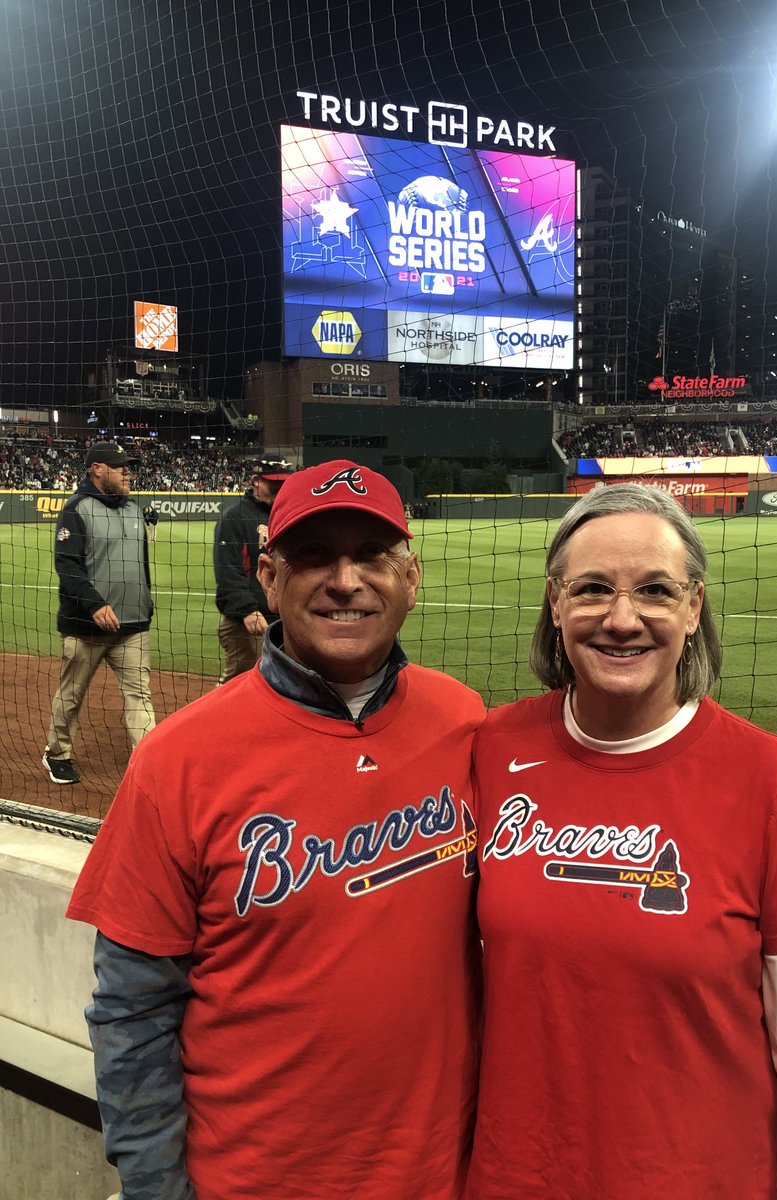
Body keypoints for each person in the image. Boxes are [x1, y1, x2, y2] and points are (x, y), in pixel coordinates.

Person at [67, 459, 485, 1199]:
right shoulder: (178, 759)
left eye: (372, 555)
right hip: (252, 1180)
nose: (346, 579)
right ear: (268, 575)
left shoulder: (465, 720)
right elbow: (132, 1011)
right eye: (315, 555)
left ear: (411, 575)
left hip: (441, 1174)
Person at [465, 482, 777, 1200]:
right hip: (517, 1177)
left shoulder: (772, 780)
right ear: (555, 604)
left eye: (654, 590)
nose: (622, 620)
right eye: (592, 589)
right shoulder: (494, 749)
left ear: (692, 608)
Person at [42, 441, 155, 785]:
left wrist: (145, 604)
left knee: (140, 694)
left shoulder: (135, 510)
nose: (127, 472)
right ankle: (56, 753)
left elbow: (141, 567)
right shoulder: (77, 509)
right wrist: (95, 603)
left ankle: (149, 760)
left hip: (133, 625)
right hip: (85, 626)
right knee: (72, 694)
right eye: (120, 466)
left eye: (128, 466)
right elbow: (67, 565)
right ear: (97, 469)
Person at [213, 457, 293, 684]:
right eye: (273, 483)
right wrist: (246, 609)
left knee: (284, 684)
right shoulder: (234, 517)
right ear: (255, 481)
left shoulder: (286, 516)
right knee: (242, 684)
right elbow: (227, 568)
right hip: (247, 621)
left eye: (283, 483)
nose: (279, 488)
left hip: (283, 618)